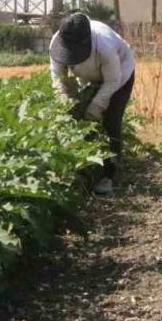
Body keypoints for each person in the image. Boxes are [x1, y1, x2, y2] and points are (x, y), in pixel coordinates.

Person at [49, 12, 136, 196]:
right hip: (89, 77)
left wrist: (96, 107)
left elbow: (113, 80)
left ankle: (110, 174)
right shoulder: (57, 42)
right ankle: (85, 167)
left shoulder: (104, 45)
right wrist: (63, 97)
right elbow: (57, 76)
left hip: (120, 76)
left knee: (111, 120)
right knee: (77, 117)